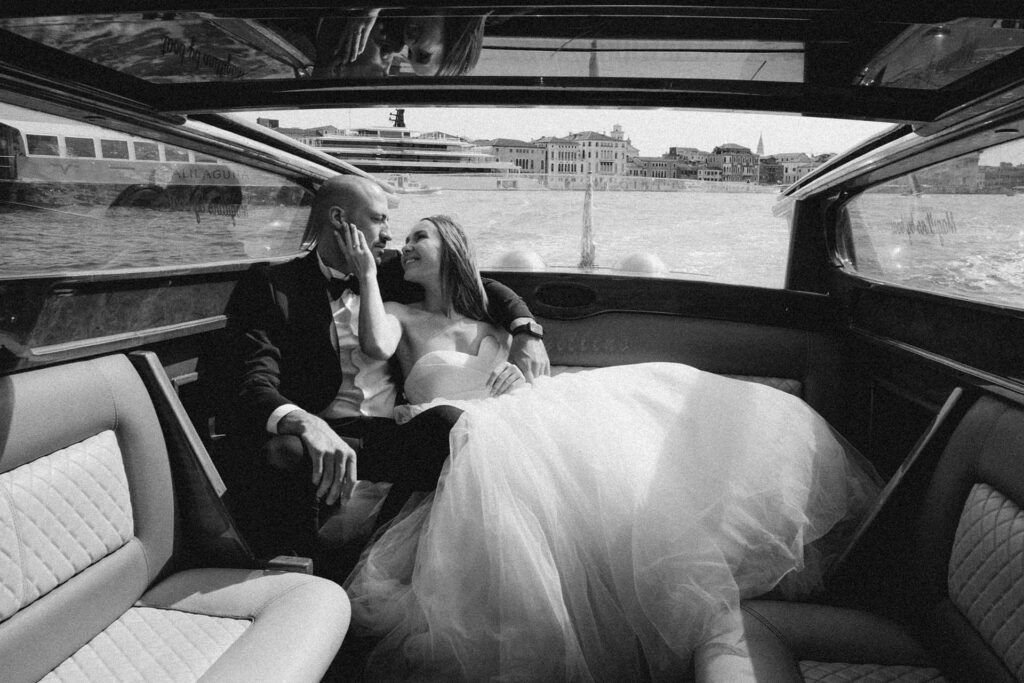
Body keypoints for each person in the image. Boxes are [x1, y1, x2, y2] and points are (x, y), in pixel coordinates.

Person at [338, 215, 881, 680]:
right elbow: (374, 344)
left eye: (420, 238)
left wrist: (514, 366)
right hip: (459, 435)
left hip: (518, 416)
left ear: (451, 250)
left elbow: (508, 318)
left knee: (657, 401)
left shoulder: (492, 320)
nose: (406, 246)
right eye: (405, 238)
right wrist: (366, 272)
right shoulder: (400, 316)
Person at [224, 176, 548, 562]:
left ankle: (383, 552)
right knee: (285, 452)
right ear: (340, 219)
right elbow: (253, 381)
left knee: (452, 425)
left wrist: (526, 329)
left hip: (391, 431)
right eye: (379, 220)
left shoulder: (391, 271)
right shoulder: (273, 285)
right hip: (330, 432)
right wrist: (307, 422)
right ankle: (297, 567)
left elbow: (480, 283)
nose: (389, 236)